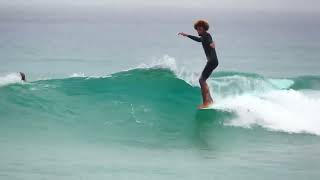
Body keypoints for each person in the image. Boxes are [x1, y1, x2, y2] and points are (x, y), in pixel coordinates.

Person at [178, 20, 219, 109]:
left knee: (201, 80)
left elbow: (209, 41)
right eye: (197, 29)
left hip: (212, 61)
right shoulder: (204, 36)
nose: (198, 31)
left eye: (200, 29)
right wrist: (187, 35)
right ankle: (210, 101)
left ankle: (206, 103)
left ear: (204, 29)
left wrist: (212, 44)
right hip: (213, 61)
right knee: (202, 80)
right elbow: (199, 40)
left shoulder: (207, 36)